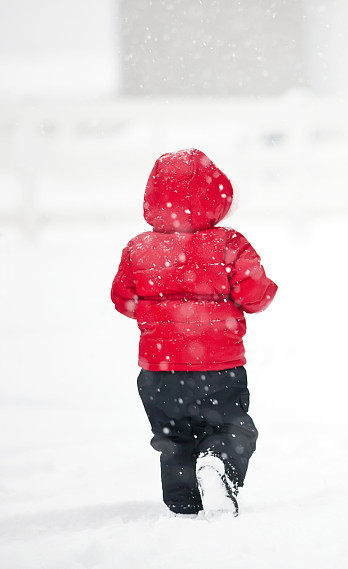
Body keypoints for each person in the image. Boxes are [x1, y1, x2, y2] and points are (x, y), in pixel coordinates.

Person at [111, 149, 278, 517]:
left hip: (159, 372)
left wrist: (157, 321)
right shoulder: (228, 244)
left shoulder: (139, 249)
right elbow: (253, 294)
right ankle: (219, 464)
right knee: (232, 427)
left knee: (174, 440)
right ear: (217, 196)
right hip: (217, 368)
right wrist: (265, 292)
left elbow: (122, 298)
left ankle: (184, 502)